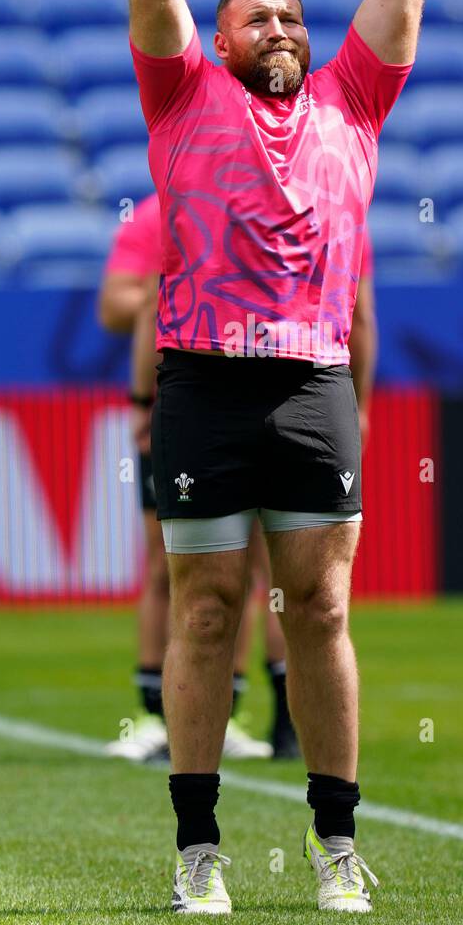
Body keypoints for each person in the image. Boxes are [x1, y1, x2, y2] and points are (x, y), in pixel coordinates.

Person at [128, 0, 424, 914]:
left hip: (312, 385)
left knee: (323, 612)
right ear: (221, 37)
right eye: (260, 17)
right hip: (200, 382)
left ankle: (335, 844)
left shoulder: (354, 99)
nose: (284, 29)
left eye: (295, 15)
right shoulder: (182, 99)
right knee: (207, 610)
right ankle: (197, 852)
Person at [97, 192, 272, 760]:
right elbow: (118, 306)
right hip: (182, 403)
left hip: (251, 403)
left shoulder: (264, 201)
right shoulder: (158, 215)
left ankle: (227, 712)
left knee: (243, 568)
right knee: (165, 562)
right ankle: (153, 714)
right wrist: (142, 400)